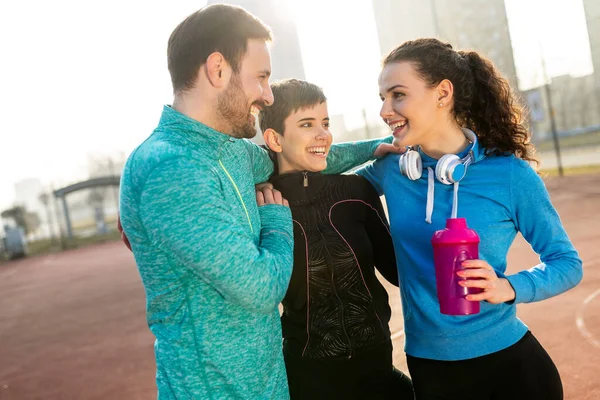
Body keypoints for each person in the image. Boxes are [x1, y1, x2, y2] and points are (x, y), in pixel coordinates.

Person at [118, 4, 399, 399]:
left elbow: (296, 157)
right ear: (218, 70)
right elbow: (261, 288)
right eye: (262, 78)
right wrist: (276, 221)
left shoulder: (229, 152)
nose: (267, 96)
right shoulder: (170, 167)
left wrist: (378, 148)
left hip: (269, 385)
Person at [357, 38, 583, 400]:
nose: (385, 109)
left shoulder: (509, 175)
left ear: (443, 93)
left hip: (512, 371)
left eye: (398, 94)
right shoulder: (393, 169)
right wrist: (362, 148)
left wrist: (509, 287)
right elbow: (326, 182)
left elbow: (567, 263)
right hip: (429, 366)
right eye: (382, 97)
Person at [259, 79, 414, 400]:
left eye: (325, 123)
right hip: (309, 380)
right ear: (274, 138)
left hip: (378, 370)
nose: (323, 135)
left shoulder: (355, 193)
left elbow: (398, 272)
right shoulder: (262, 207)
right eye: (306, 124)